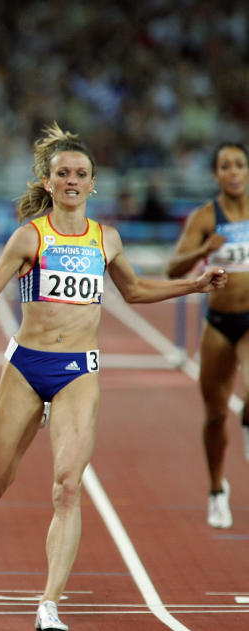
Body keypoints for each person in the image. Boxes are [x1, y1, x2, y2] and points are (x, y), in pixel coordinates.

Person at [0, 123, 227, 631]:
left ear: (93, 184)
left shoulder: (107, 239)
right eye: (62, 173)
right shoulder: (30, 237)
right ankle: (33, 423)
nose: (71, 180)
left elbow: (135, 292)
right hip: (27, 367)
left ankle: (49, 604)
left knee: (67, 488)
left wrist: (196, 285)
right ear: (48, 182)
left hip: (78, 372)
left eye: (80, 174)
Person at [167, 142, 249, 529]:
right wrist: (204, 249)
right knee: (215, 415)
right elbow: (172, 269)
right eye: (225, 166)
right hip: (218, 323)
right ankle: (217, 489)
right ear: (216, 175)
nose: (233, 172)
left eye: (239, 165)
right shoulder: (206, 217)